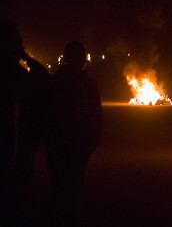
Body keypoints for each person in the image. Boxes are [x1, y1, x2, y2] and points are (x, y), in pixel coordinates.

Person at [0, 19, 51, 225]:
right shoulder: (11, 72)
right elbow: (44, 81)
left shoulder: (12, 71)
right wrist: (26, 58)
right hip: (10, 142)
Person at [47, 41, 102, 226]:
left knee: (65, 188)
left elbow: (96, 115)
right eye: (80, 56)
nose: (82, 60)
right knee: (67, 188)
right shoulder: (61, 84)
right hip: (66, 144)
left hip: (72, 144)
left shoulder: (57, 82)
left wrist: (92, 140)